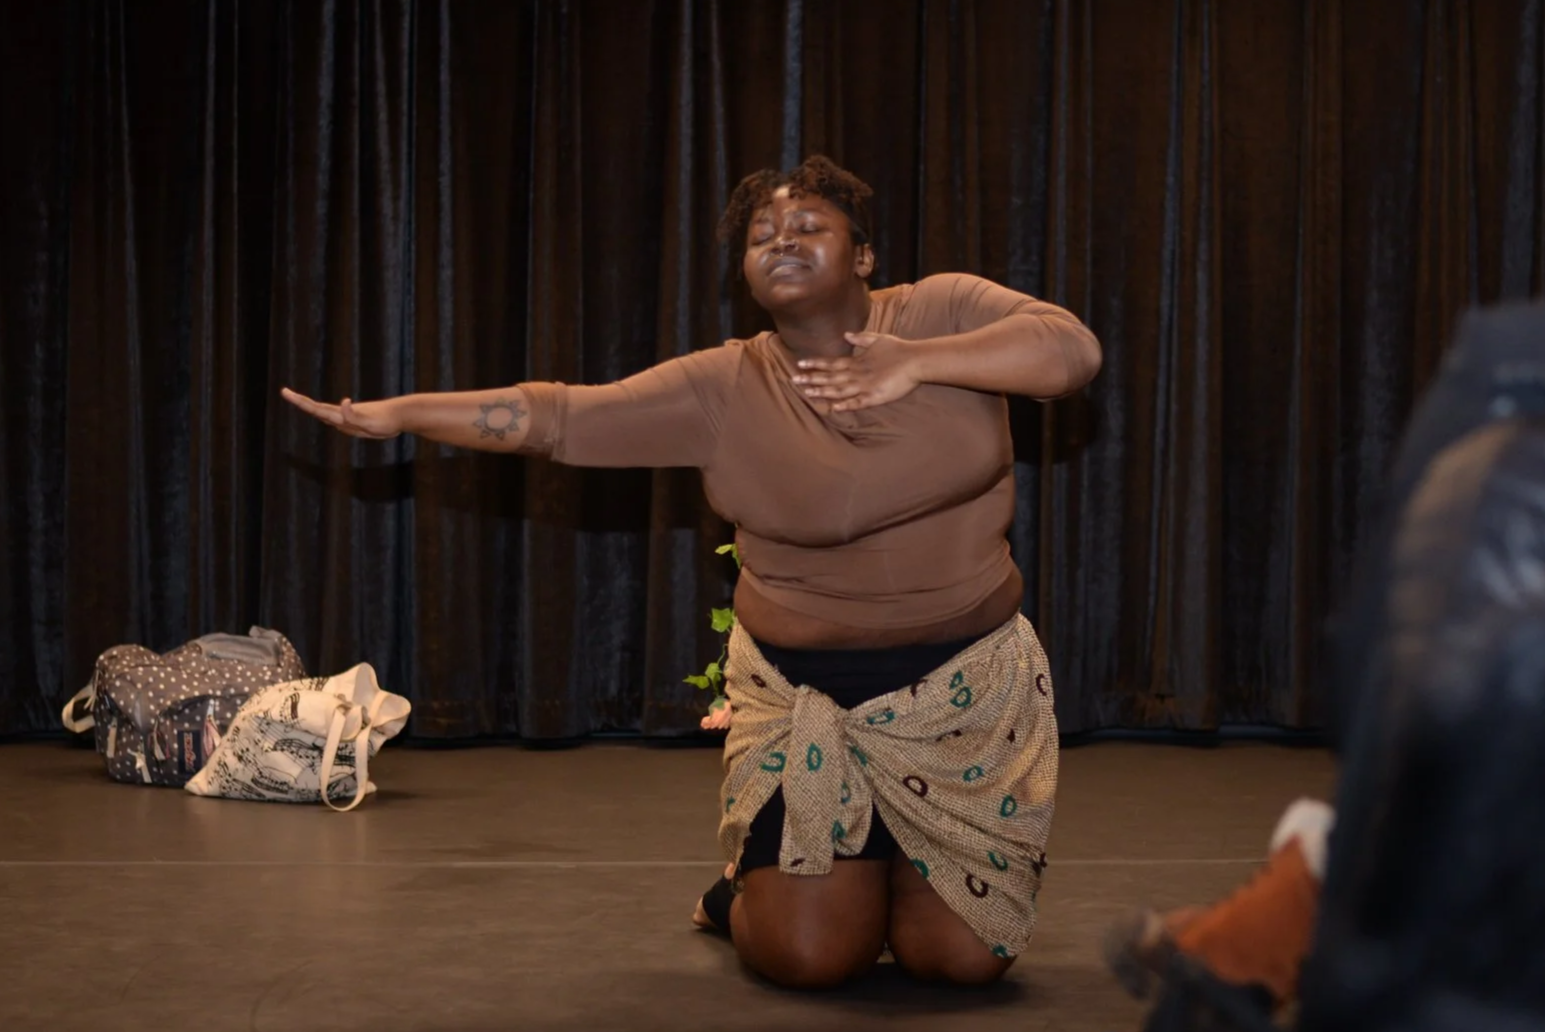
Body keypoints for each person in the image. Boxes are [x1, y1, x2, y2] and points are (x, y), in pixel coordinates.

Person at [282, 155, 1103, 990]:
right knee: (811, 959)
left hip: (964, 697)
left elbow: (1069, 352)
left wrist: (916, 362)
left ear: (862, 255)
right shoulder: (723, 386)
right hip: (806, 701)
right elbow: (557, 416)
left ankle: (889, 873)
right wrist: (403, 415)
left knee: (961, 962)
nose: (781, 241)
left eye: (807, 226)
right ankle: (744, 891)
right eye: (761, 236)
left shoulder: (943, 310)